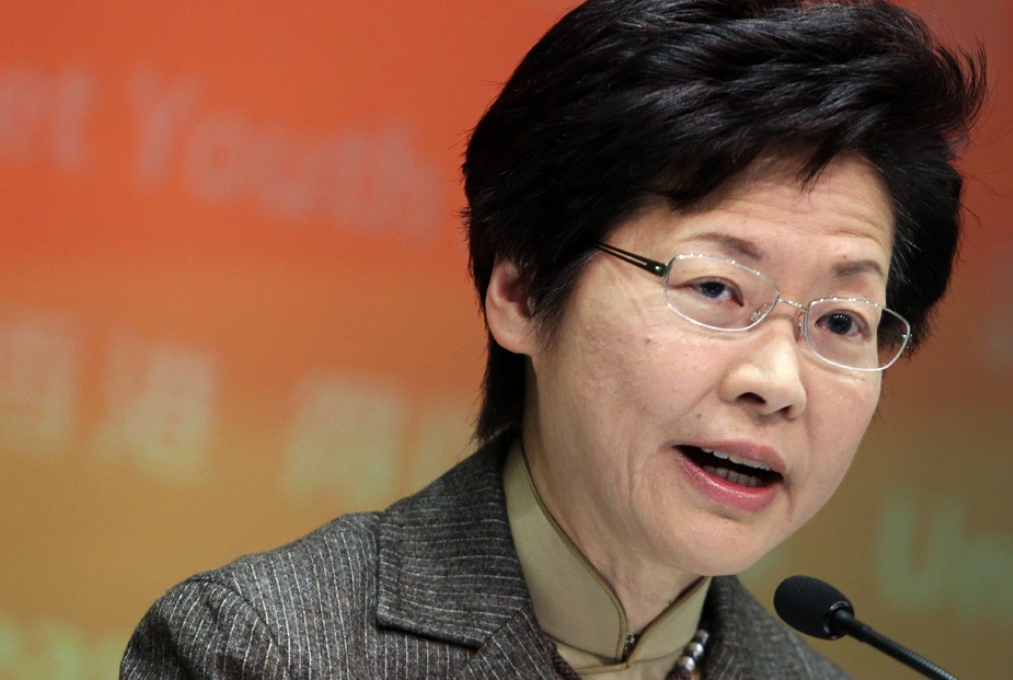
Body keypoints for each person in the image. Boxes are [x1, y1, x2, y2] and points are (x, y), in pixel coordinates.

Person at [120, 0, 985, 678]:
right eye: (717, 288)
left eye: (841, 321)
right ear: (523, 290)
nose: (778, 380)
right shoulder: (262, 651)